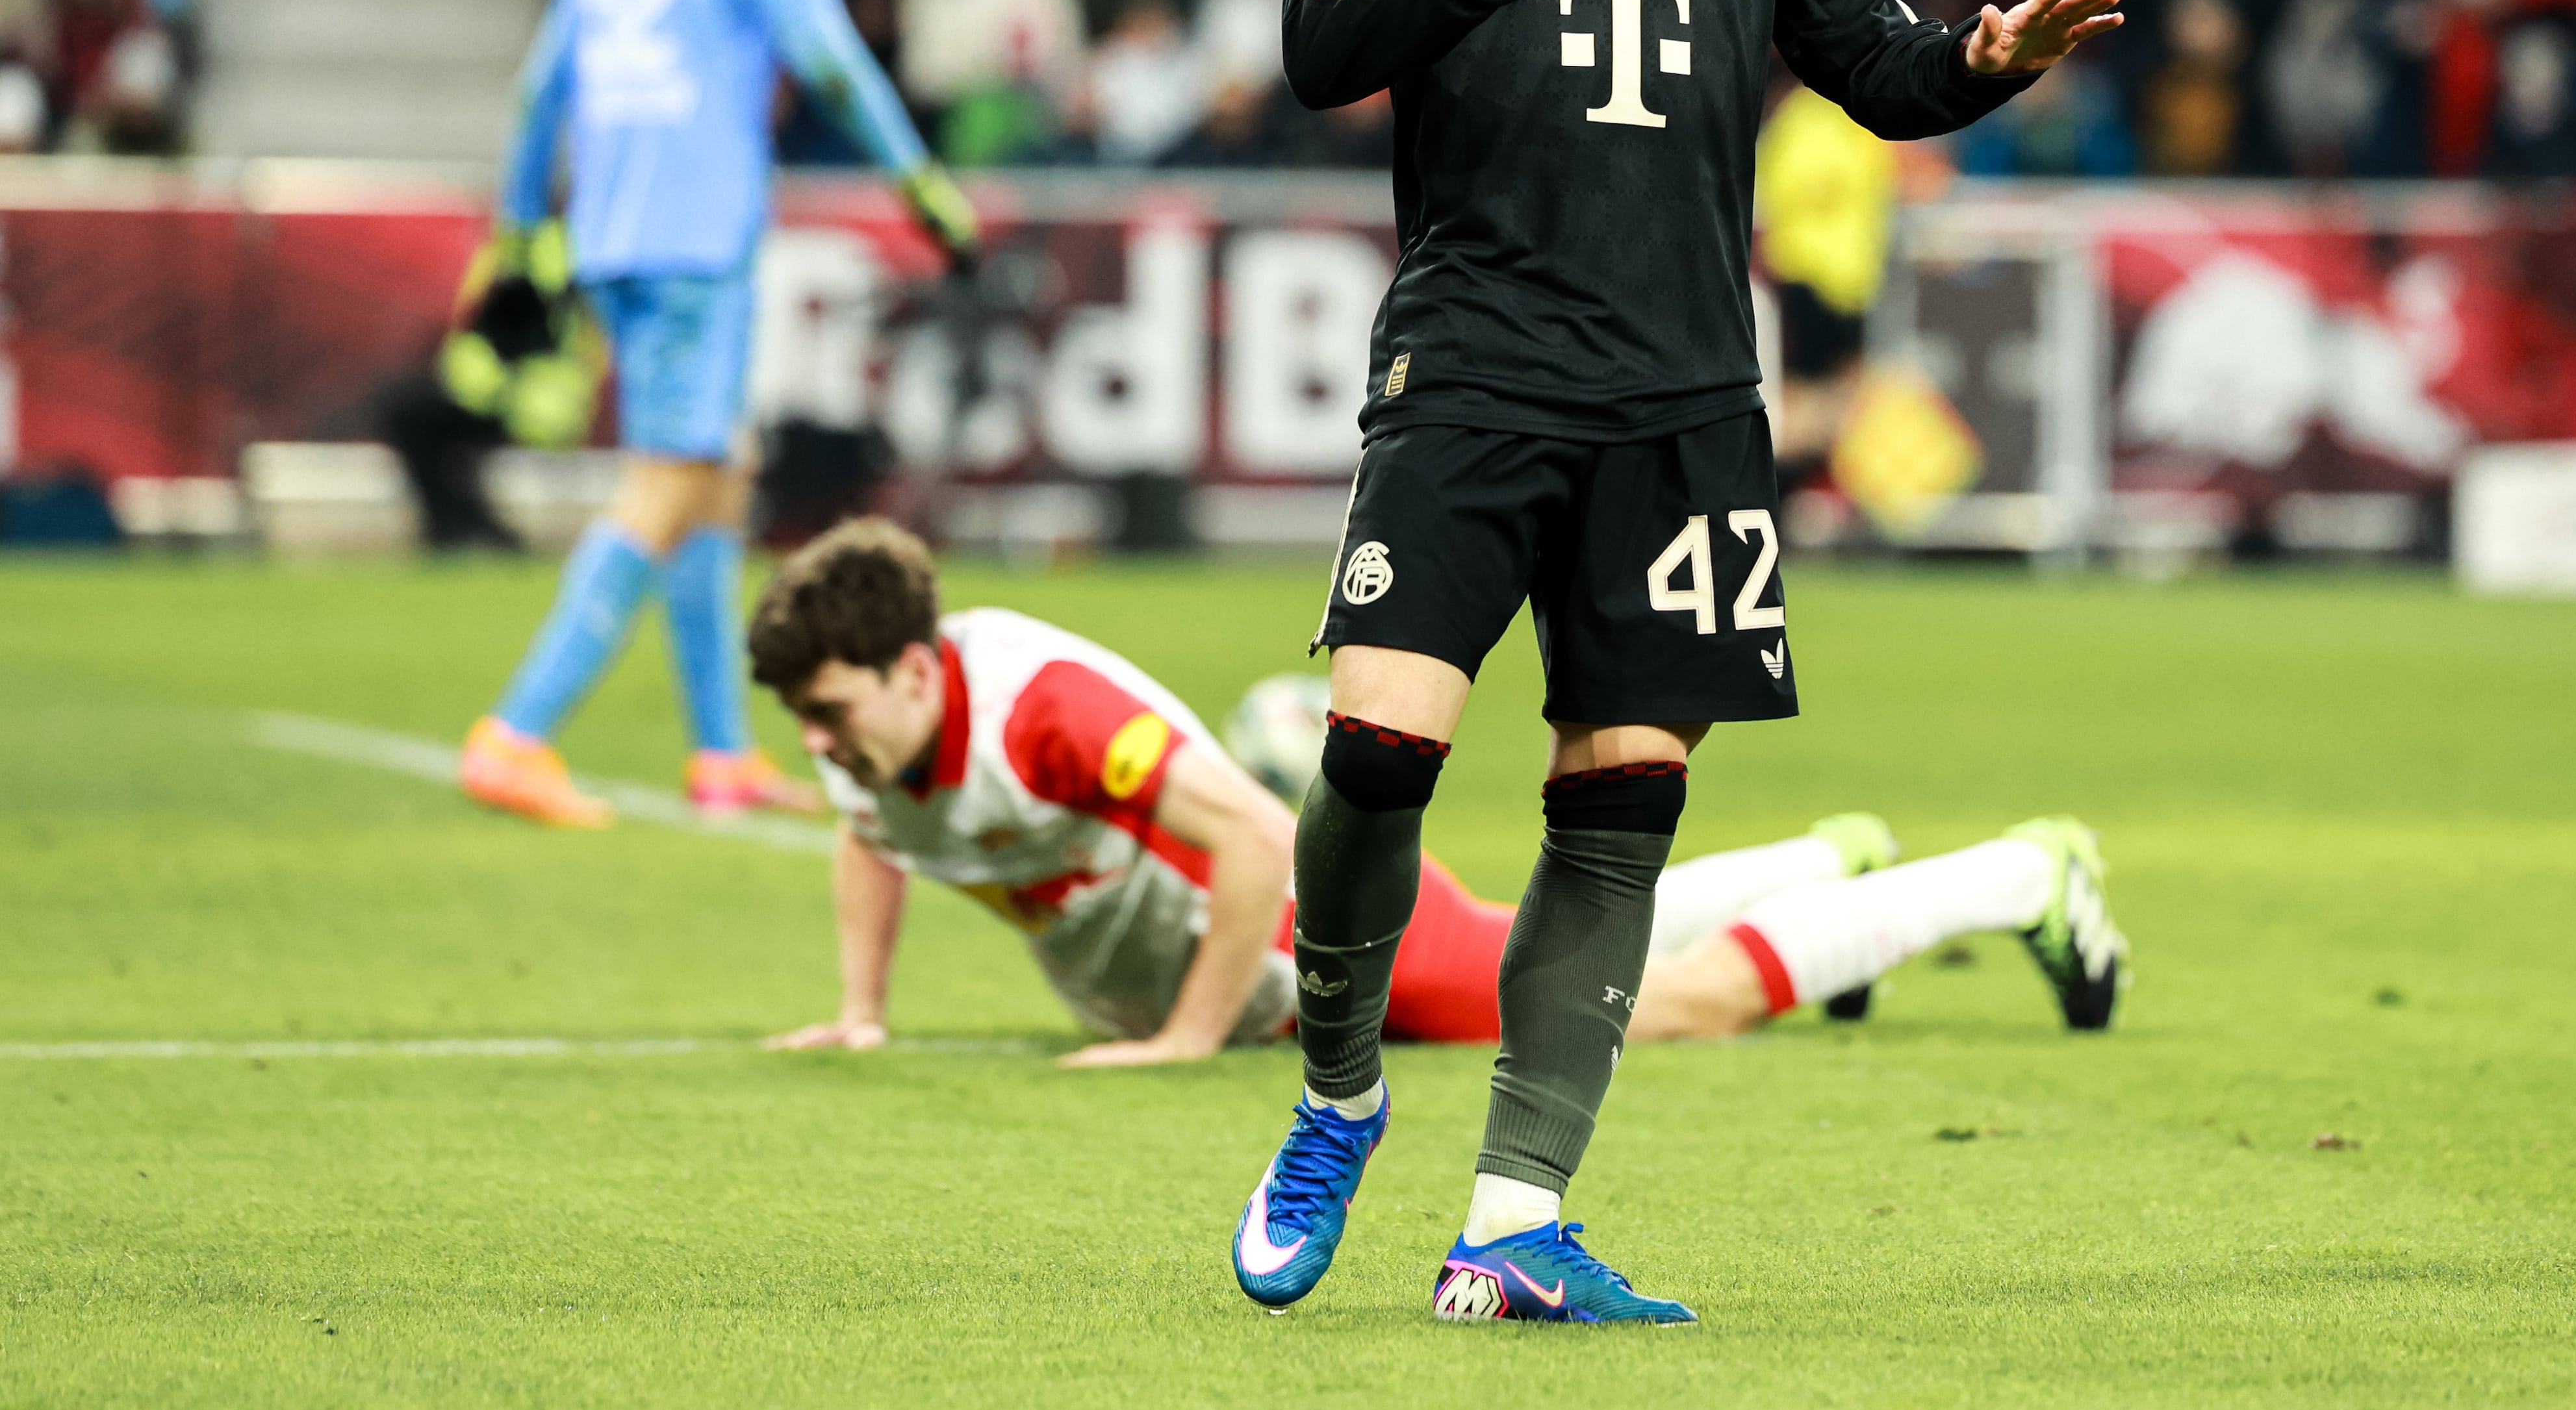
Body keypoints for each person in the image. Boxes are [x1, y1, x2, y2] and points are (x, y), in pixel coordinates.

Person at [1260, 0, 2121, 1326]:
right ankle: (1336, 1079)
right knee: (1377, 749)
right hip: (1475, 365)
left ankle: (1512, 1212)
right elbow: (1322, 50)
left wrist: (1985, 57)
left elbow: (1878, 69)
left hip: (1681, 400)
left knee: (1623, 796)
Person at [743, 520, 2124, 1081]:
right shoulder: (861, 732)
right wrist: (862, 1007)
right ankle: (1827, 860)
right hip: (1289, 965)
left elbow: (1249, 838)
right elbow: (878, 841)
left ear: (917, 667)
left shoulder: (1042, 711)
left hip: (1334, 938)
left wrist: (1184, 1037)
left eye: (833, 712)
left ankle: (2017, 876)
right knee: (1546, 934)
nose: (821, 742)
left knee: (1645, 1005)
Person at [459, 0, 978, 830]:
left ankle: (719, 753)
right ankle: (517, 731)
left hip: (612, 226)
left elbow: (544, 85)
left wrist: (516, 230)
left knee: (717, 472)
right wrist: (918, 180)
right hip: (697, 227)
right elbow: (828, 57)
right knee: (671, 479)